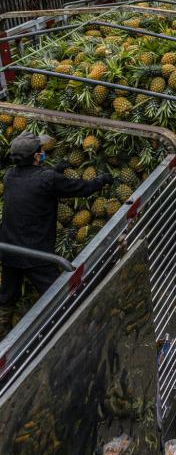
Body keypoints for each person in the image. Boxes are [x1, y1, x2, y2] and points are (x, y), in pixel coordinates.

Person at [0, 133, 113, 318]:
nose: (43, 152)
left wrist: (57, 169)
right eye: (41, 151)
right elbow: (82, 189)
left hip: (9, 249)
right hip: (35, 254)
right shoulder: (48, 180)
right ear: (37, 156)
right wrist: (101, 180)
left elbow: (33, 181)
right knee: (60, 297)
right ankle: (67, 332)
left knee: (6, 299)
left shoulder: (10, 176)